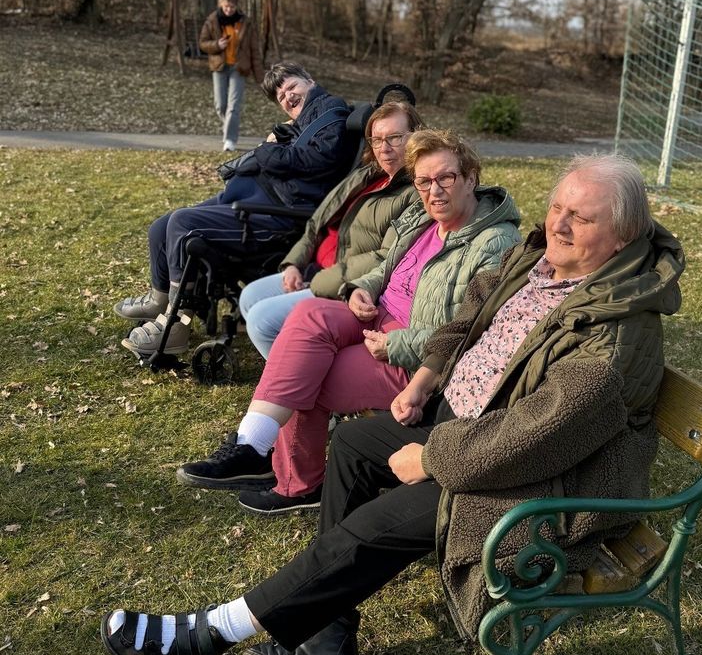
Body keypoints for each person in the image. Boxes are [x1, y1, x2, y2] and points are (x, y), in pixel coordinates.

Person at [100, 153, 684, 655]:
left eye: (580, 218)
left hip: (535, 484)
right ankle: (327, 639)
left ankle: (210, 635)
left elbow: (539, 435)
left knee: (375, 523)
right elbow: (467, 317)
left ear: (623, 235)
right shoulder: (539, 261)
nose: (558, 223)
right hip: (465, 423)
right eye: (557, 206)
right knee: (354, 443)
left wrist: (431, 458)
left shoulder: (615, 333)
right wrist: (425, 379)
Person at [174, 129, 521, 515]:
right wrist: (362, 288)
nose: (433, 190)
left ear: (471, 178)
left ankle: (298, 484)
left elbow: (472, 329)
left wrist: (397, 345)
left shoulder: (494, 242)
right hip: (376, 314)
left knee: (312, 376)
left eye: (446, 178)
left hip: (417, 356)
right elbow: (387, 268)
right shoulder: (424, 219)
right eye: (423, 181)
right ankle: (253, 445)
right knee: (306, 315)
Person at [114, 62, 356, 357]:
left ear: (310, 80)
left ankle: (176, 326)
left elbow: (317, 158)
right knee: (160, 227)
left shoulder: (330, 111)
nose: (287, 97)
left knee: (181, 223)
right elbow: (298, 154)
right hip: (256, 199)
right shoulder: (305, 120)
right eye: (280, 96)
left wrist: (268, 149)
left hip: (274, 216)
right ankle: (160, 300)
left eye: (292, 87)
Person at [238, 100, 423, 359]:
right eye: (377, 139)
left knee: (262, 321)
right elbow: (317, 222)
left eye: (394, 138)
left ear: (416, 137)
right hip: (317, 269)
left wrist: (318, 283)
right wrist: (293, 263)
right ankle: (301, 360)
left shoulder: (417, 190)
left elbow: (387, 257)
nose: (384, 148)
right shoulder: (367, 174)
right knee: (249, 296)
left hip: (347, 286)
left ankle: (298, 384)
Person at [198, 0, 264, 152]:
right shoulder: (212, 20)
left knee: (233, 105)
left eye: (232, 7)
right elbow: (202, 43)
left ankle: (230, 139)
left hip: (239, 68)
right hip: (219, 66)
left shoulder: (245, 23)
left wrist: (261, 78)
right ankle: (230, 126)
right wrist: (217, 45)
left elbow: (254, 50)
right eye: (226, 6)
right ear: (221, 4)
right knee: (220, 105)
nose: (228, 10)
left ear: (237, 7)